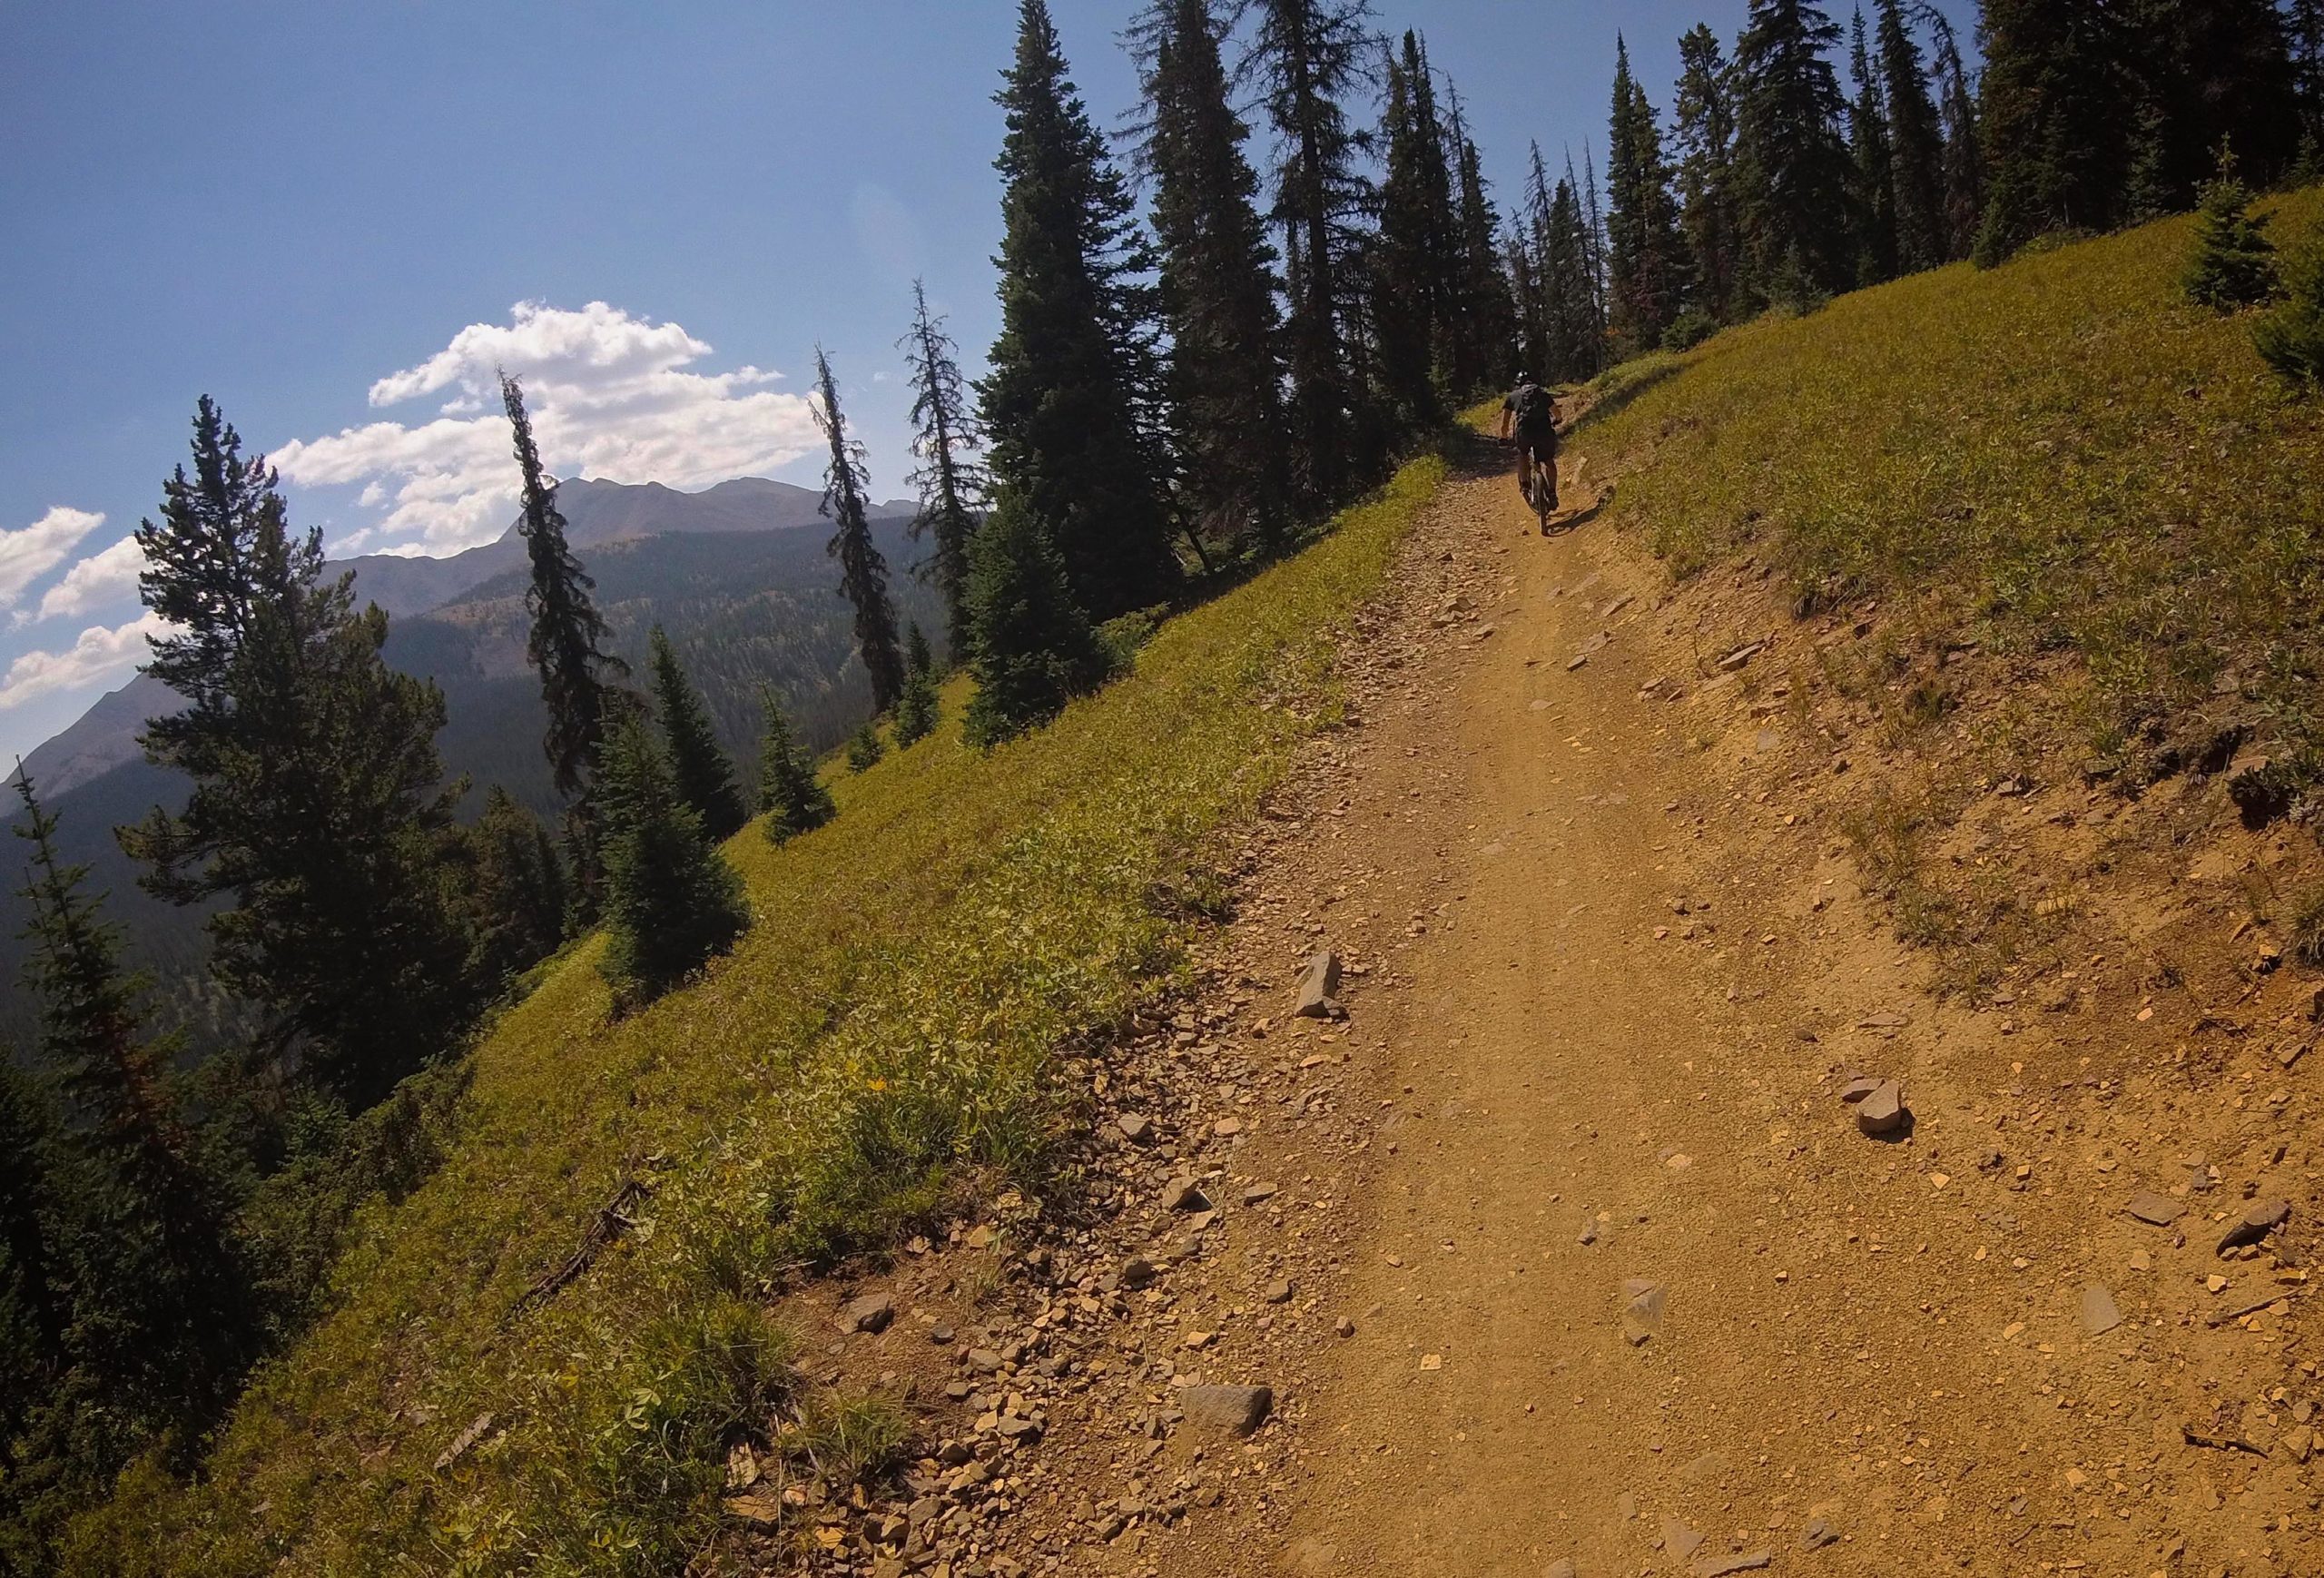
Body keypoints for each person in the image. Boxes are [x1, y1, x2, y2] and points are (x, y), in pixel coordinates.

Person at [1499, 371, 1559, 512]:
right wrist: (1558, 420)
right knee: (1549, 461)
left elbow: (1505, 422)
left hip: (1524, 433)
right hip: (1544, 432)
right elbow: (1557, 413)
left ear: (1518, 384)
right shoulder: (1543, 394)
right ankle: (1552, 492)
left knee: (1523, 454)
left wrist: (1503, 437)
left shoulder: (1513, 396)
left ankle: (1525, 484)